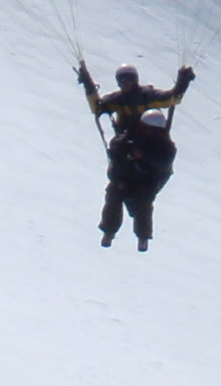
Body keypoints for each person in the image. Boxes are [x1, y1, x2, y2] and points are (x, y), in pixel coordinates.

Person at [76, 61, 194, 250]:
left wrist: (183, 82)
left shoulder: (148, 98)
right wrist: (88, 85)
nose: (126, 83)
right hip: (127, 150)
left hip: (148, 171)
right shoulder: (117, 101)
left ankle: (143, 237)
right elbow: (98, 108)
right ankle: (109, 231)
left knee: (143, 198)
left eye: (129, 79)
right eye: (122, 80)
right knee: (115, 190)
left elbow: (171, 99)